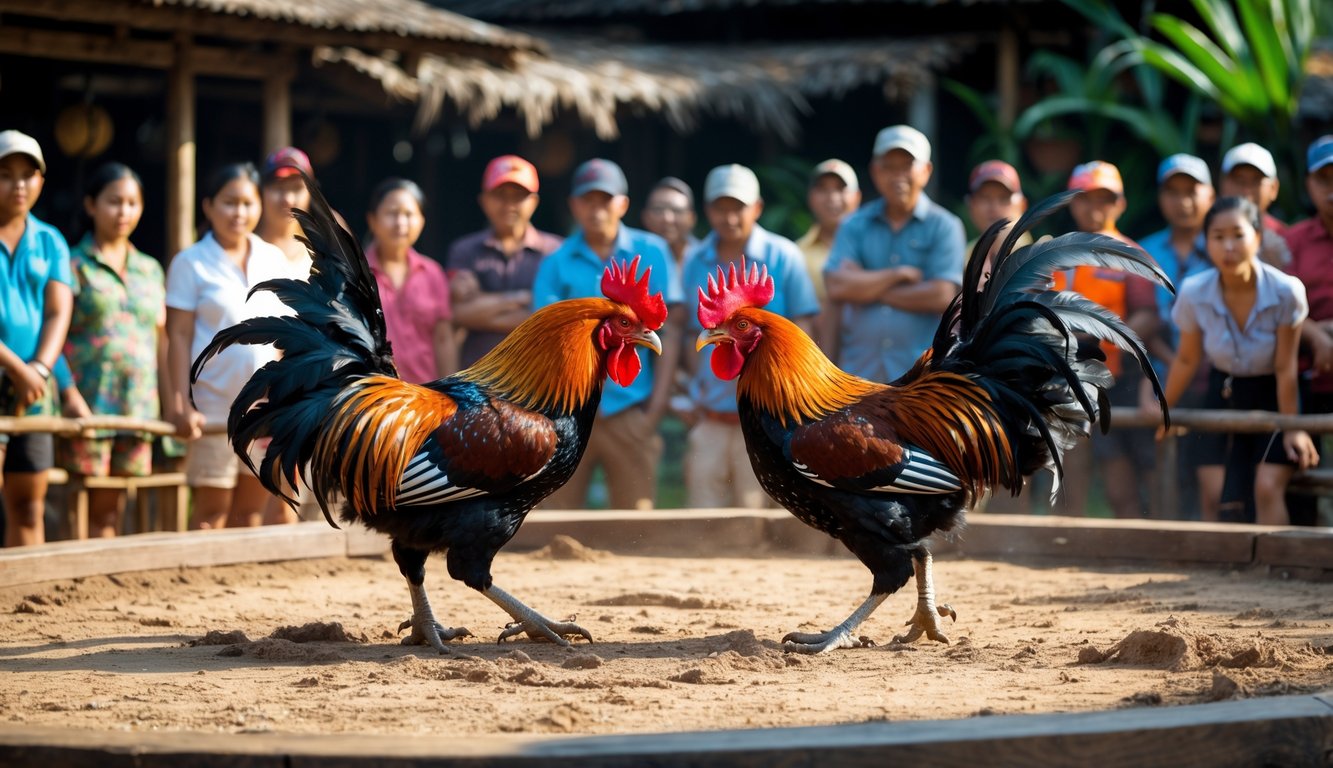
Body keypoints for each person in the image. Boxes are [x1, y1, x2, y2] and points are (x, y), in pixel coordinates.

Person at [532, 158, 683, 510]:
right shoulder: (555, 261)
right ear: (574, 205)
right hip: (569, 412)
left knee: (637, 521)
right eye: (588, 199)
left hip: (629, 410)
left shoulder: (653, 251)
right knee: (557, 516)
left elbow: (671, 331)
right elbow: (546, 335)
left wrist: (655, 411)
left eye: (605, 199)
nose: (597, 208)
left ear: (623, 204)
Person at [1157, 196, 1317, 524]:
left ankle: (1275, 570)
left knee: (1267, 488)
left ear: (1257, 237)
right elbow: (1187, 359)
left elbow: (1286, 367)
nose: (1228, 246)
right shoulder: (1194, 292)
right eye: (1218, 237)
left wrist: (1292, 427)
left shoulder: (1286, 291)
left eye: (1238, 235)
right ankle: (1216, 571)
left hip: (1276, 395)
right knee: (1215, 494)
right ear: (1207, 242)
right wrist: (1166, 412)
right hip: (1224, 392)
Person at [680, 164, 819, 508]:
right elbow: (687, 332)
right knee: (703, 513)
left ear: (756, 207)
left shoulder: (784, 256)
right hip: (712, 412)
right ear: (708, 210)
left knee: (754, 512)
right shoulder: (695, 260)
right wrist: (694, 386)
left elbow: (804, 326)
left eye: (737, 207)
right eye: (720, 207)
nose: (729, 217)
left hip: (769, 414)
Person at [164, 163, 287, 530]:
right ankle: (197, 589)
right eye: (229, 203)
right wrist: (179, 404)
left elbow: (284, 336)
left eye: (248, 203)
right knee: (209, 514)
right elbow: (179, 336)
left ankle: (237, 590)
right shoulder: (190, 262)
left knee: (250, 514)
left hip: (262, 408)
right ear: (208, 206)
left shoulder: (272, 258)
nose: (239, 212)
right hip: (212, 408)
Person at [58, 163, 165, 538]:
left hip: (137, 406)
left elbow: (161, 340)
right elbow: (53, 334)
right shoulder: (71, 264)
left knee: (116, 509)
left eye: (132, 203)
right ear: (91, 205)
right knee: (81, 507)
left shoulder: (150, 270)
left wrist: (171, 404)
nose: (123, 212)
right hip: (88, 405)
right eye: (113, 202)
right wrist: (68, 393)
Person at [1055, 161, 1158, 518]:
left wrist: (1106, 334)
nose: (1094, 207)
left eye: (1104, 198)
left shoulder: (1131, 254)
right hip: (1061, 378)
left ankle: (1143, 543)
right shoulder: (1056, 254)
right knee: (1069, 468)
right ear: (1072, 203)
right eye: (1085, 198)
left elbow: (1147, 314)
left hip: (1116, 379)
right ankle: (1065, 539)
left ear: (1120, 203)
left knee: (1123, 481)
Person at [824, 125, 964, 383]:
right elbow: (836, 285)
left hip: (922, 382)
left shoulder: (945, 226)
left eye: (906, 166)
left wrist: (865, 287)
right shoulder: (853, 225)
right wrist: (899, 274)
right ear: (875, 171)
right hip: (857, 379)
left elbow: (943, 294)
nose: (897, 175)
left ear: (926, 171)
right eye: (889, 166)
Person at [0, 131, 74, 546]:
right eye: (6, 174)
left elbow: (58, 311)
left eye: (28, 175)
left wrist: (40, 369)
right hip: (19, 377)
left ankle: (26, 604)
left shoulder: (50, 240)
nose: (18, 184)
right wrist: (17, 369)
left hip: (35, 387)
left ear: (41, 182)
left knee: (29, 506)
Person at [446, 155, 561, 369]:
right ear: (484, 200)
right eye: (500, 195)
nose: (509, 204)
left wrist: (482, 306)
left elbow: (555, 320)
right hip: (477, 381)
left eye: (518, 196)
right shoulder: (464, 250)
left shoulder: (557, 252)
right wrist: (522, 298)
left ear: (534, 202)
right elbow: (458, 314)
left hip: (538, 380)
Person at [1281, 135, 1333, 527]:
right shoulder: (1293, 240)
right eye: (1324, 179)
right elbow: (1279, 306)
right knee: (1299, 470)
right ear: (1309, 185)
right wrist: (1315, 334)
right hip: (1305, 374)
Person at [364, 178, 458, 383]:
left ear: (422, 221)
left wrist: (452, 394)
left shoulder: (432, 272)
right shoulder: (357, 273)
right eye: (391, 213)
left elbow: (443, 339)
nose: (400, 223)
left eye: (409, 214)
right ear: (372, 220)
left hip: (425, 399)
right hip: (373, 399)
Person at [795, 159, 860, 352]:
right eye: (823, 189)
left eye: (840, 189)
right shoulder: (796, 254)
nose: (832, 197)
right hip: (815, 357)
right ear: (811, 198)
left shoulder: (874, 248)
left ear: (856, 197)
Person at [1220, 142, 1291, 268]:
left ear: (1274, 188)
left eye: (1256, 181)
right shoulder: (1204, 236)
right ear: (1223, 184)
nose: (1246, 190)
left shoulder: (1288, 239)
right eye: (1239, 181)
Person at [963, 160, 1029, 282]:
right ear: (971, 205)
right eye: (985, 198)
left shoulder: (1035, 254)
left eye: (1003, 199)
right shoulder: (965, 254)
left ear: (1022, 205)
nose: (994, 207)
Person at [256, 146, 316, 278]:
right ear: (260, 192)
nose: (288, 199)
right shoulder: (243, 249)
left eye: (297, 188)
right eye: (278, 187)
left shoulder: (322, 253)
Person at [640, 176, 699, 290]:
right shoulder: (632, 260)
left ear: (692, 218)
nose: (667, 218)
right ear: (645, 217)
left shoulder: (709, 260)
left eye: (677, 210)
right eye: (658, 209)